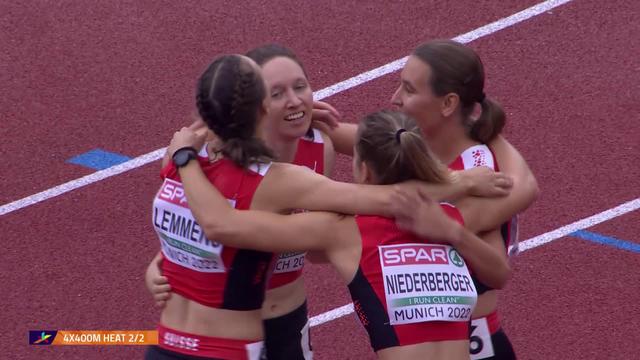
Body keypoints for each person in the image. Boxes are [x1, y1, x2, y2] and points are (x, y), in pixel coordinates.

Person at [147, 53, 513, 360]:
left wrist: (182, 160)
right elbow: (213, 225)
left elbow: (203, 228)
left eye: (300, 86)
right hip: (214, 345)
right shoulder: (278, 182)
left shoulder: (183, 156)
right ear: (263, 107)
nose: (292, 99)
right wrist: (458, 181)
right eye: (276, 92)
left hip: (183, 341)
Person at [313, 39, 539, 359]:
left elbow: (524, 192)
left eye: (408, 89)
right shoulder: (414, 148)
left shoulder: (482, 171)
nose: (395, 98)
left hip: (475, 347)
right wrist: (296, 110)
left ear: (447, 103)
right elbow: (358, 139)